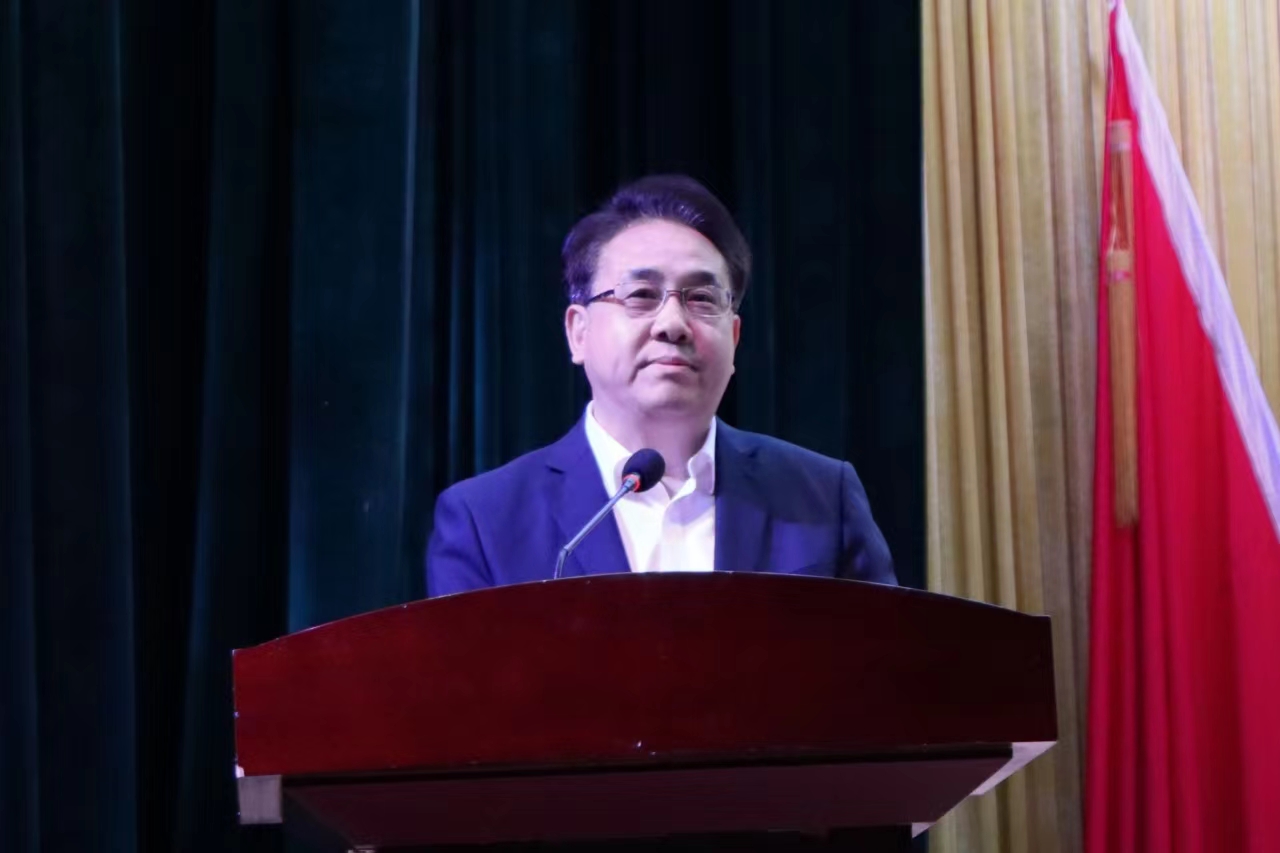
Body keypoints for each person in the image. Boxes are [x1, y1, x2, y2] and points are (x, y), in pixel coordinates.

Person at [426, 174, 896, 596]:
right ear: (578, 332)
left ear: (734, 337)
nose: (672, 323)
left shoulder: (821, 497)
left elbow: (884, 661)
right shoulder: (485, 520)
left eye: (702, 299)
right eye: (641, 295)